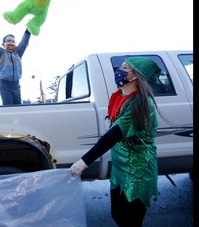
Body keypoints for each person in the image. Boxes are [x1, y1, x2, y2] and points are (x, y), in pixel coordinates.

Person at [69, 57, 161, 227]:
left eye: (125, 68)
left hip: (137, 170)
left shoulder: (139, 103)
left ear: (134, 76)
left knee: (131, 220)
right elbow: (114, 120)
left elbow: (113, 136)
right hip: (120, 167)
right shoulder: (121, 96)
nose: (119, 70)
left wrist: (84, 162)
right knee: (117, 215)